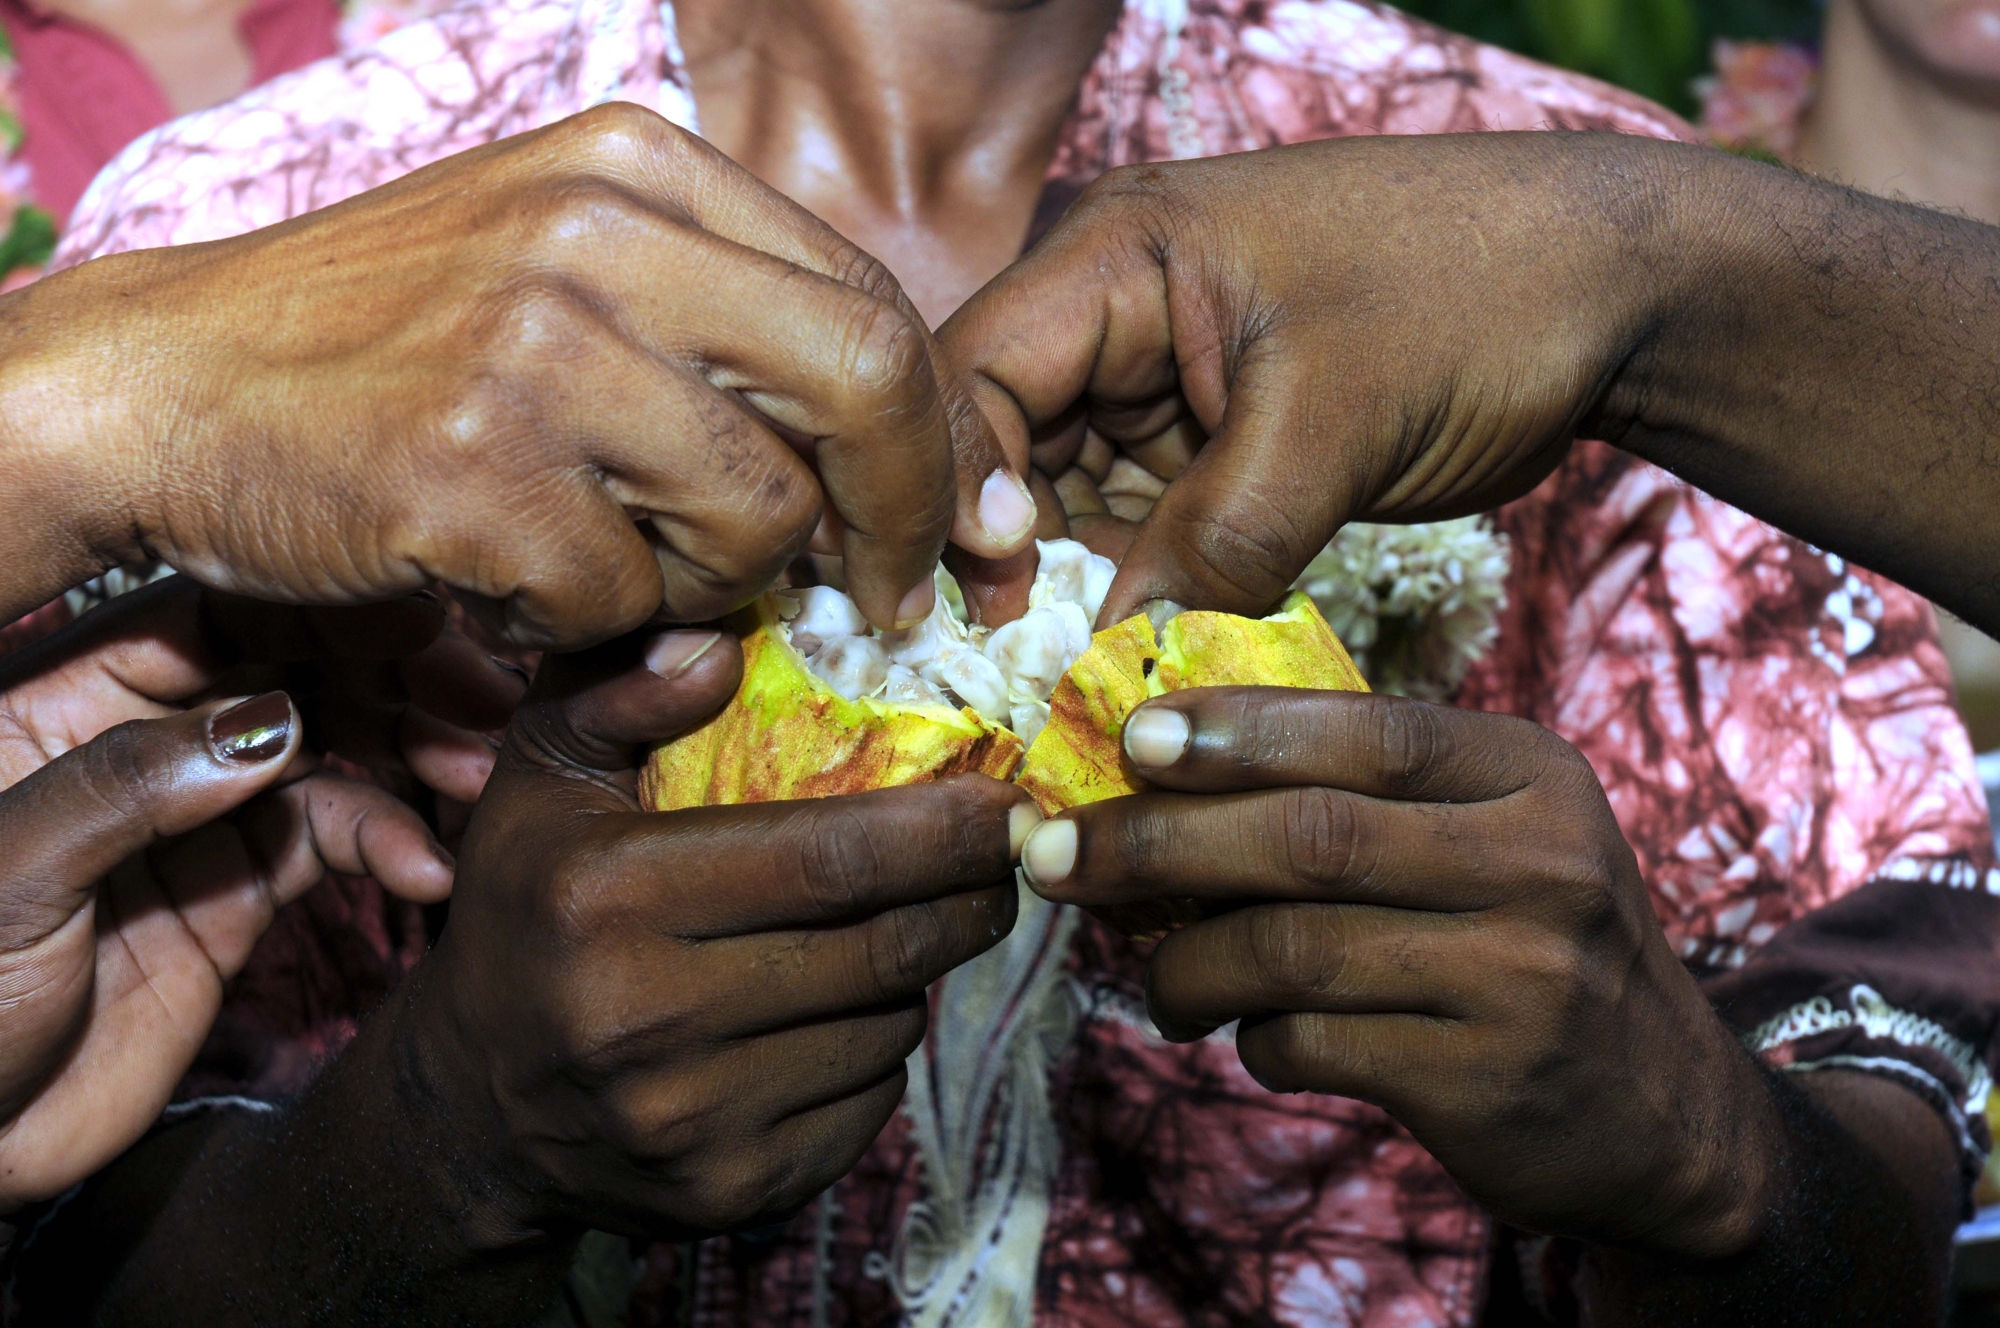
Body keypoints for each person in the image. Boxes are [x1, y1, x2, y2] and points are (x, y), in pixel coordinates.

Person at [19, 3, 1991, 1326]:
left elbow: (1886, 1124)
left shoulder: (1534, 207)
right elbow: (102, 1210)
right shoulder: (269, 243)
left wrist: (1710, 1164)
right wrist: (437, 1146)